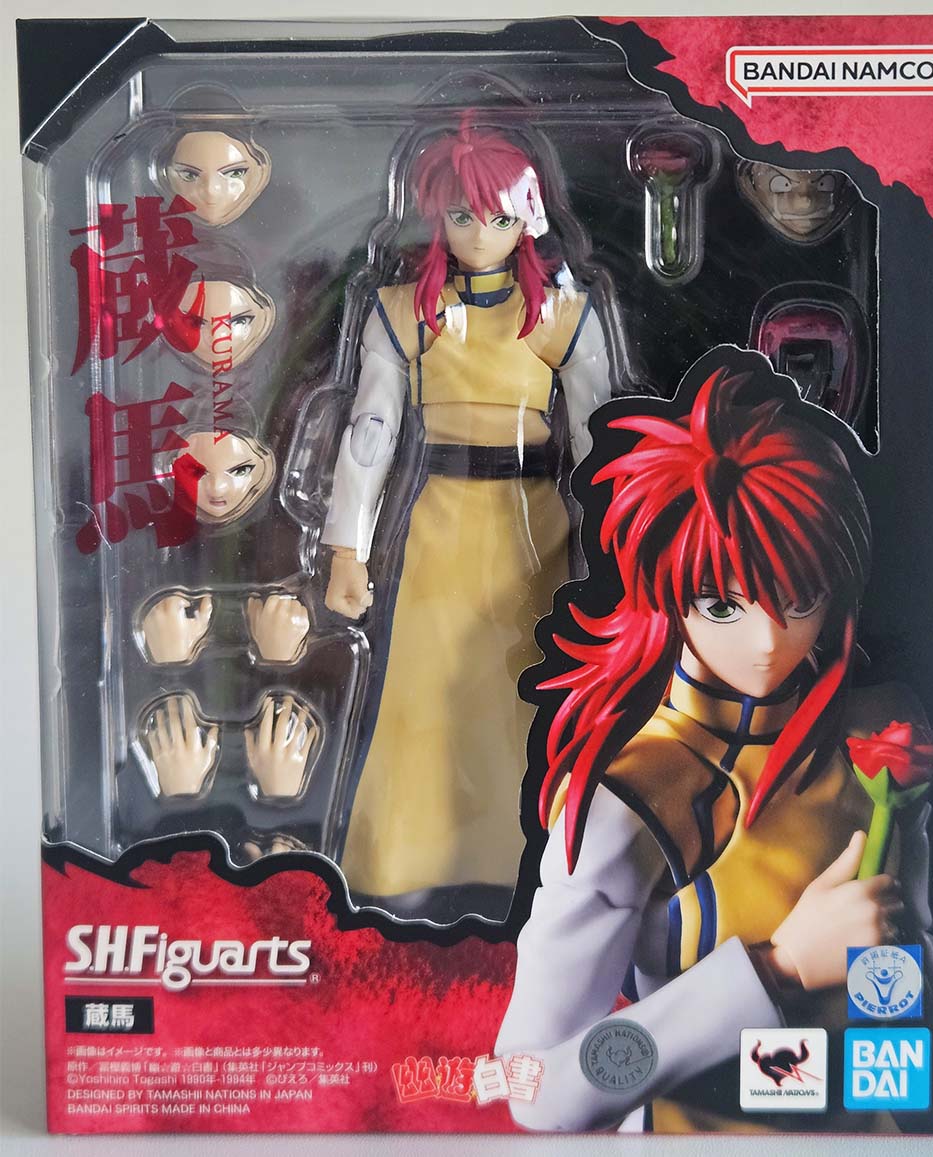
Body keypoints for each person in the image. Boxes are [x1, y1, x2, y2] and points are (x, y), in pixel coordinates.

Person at [496, 357, 933, 1132]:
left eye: (799, 598)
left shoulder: (879, 731)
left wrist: (915, 978)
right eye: (721, 603)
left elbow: (922, 970)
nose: (770, 641)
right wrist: (779, 968)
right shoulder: (636, 796)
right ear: (664, 590)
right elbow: (536, 1086)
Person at [320, 119, 612, 920]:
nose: (481, 233)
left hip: (533, 529)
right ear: (437, 217)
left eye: (501, 216)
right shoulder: (403, 312)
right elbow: (371, 433)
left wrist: (615, 550)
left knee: (530, 694)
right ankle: (402, 866)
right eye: (462, 215)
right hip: (439, 524)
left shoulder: (560, 314)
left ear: (528, 219)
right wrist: (348, 547)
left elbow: (599, 438)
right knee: (420, 696)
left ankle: (535, 867)